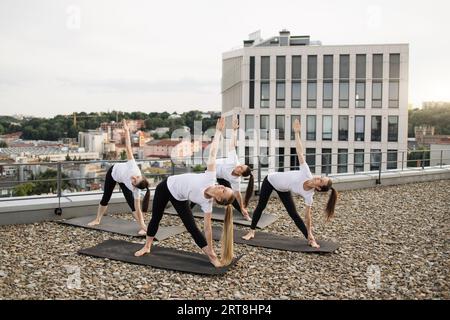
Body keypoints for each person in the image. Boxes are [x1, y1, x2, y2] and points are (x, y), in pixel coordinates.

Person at [134, 117, 236, 267]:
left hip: (179, 197)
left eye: (224, 191)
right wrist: (219, 131)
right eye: (224, 187)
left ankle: (211, 256)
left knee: (192, 227)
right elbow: (213, 152)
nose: (222, 187)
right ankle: (147, 246)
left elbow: (207, 229)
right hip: (166, 187)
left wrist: (212, 251)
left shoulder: (207, 204)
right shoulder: (210, 176)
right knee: (156, 217)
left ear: (219, 200)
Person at [242, 119, 338, 248]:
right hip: (270, 181)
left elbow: (307, 217)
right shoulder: (306, 172)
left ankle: (309, 240)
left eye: (320, 181)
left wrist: (310, 234)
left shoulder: (309, 195)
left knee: (294, 214)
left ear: (319, 188)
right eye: (320, 177)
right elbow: (300, 152)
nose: (317, 178)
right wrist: (297, 133)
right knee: (261, 206)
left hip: (283, 189)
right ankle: (251, 231)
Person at [88, 119, 150, 235]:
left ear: (135, 186)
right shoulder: (133, 168)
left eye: (134, 181)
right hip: (113, 173)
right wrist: (126, 131)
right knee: (106, 198)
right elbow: (128, 147)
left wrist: (144, 227)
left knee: (133, 205)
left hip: (122, 180)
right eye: (136, 177)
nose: (133, 178)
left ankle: (143, 226)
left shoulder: (136, 190)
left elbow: (138, 209)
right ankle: (97, 219)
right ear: (139, 176)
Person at [190, 117, 254, 221]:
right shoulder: (234, 161)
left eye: (240, 169)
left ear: (240, 174)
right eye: (240, 165)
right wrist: (234, 130)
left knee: (231, 195)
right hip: (212, 168)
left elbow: (237, 195)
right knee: (203, 187)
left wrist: (242, 206)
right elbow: (232, 145)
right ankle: (188, 209)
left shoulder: (235, 180)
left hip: (221, 176)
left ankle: (243, 213)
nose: (238, 166)